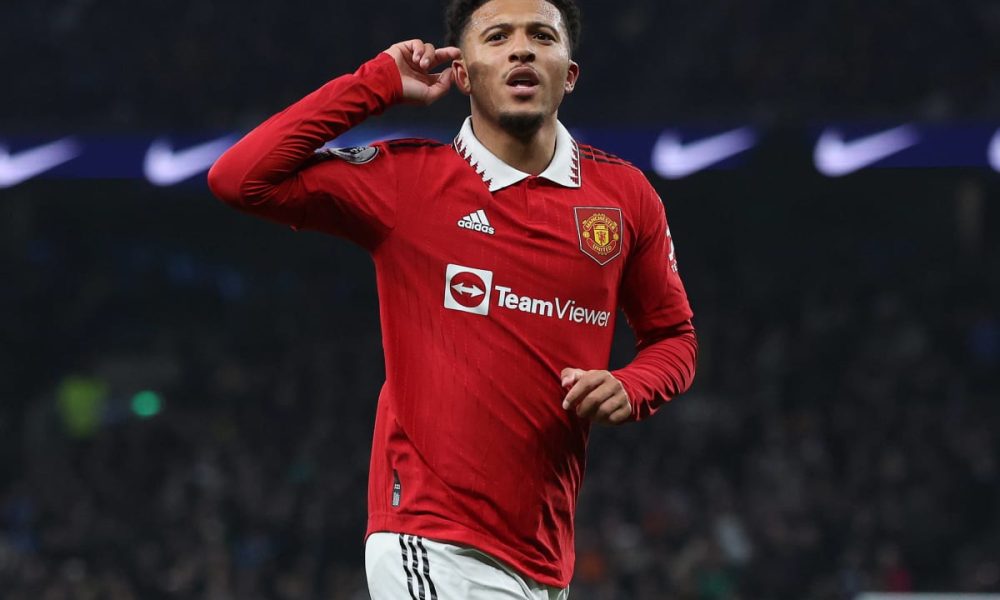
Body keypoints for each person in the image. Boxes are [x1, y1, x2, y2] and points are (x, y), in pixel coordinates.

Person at [207, 0, 697, 597]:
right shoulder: (407, 181)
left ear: (569, 74)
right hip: (431, 540)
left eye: (542, 36)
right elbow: (239, 178)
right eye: (498, 36)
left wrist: (631, 386)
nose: (521, 49)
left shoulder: (624, 196)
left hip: (543, 558)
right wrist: (376, 85)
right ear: (461, 73)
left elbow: (673, 338)